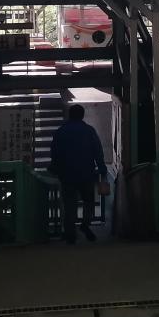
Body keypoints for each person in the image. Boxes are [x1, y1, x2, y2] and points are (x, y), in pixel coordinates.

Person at [49, 104, 107, 244]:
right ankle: (85, 224)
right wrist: (102, 168)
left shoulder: (61, 132)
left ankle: (70, 233)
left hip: (67, 174)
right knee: (88, 201)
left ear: (69, 115)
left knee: (69, 204)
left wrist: (55, 168)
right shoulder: (89, 131)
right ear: (82, 115)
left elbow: (54, 153)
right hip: (86, 173)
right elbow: (97, 151)